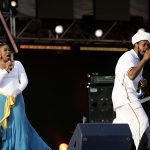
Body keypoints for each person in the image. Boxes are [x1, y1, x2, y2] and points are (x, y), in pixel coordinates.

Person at [0, 42, 52, 150]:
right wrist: (5, 70)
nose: (8, 52)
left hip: (17, 100)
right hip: (2, 101)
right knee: (5, 129)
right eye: (5, 50)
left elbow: (25, 81)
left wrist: (16, 92)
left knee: (19, 126)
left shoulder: (17, 64)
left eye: (9, 50)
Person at [112, 30, 150, 150]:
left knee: (122, 133)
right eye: (144, 44)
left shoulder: (137, 61)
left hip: (123, 100)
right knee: (143, 123)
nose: (146, 48)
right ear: (136, 44)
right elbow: (131, 75)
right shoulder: (128, 56)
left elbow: (137, 91)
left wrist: (142, 87)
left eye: (148, 45)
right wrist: (145, 60)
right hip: (125, 98)